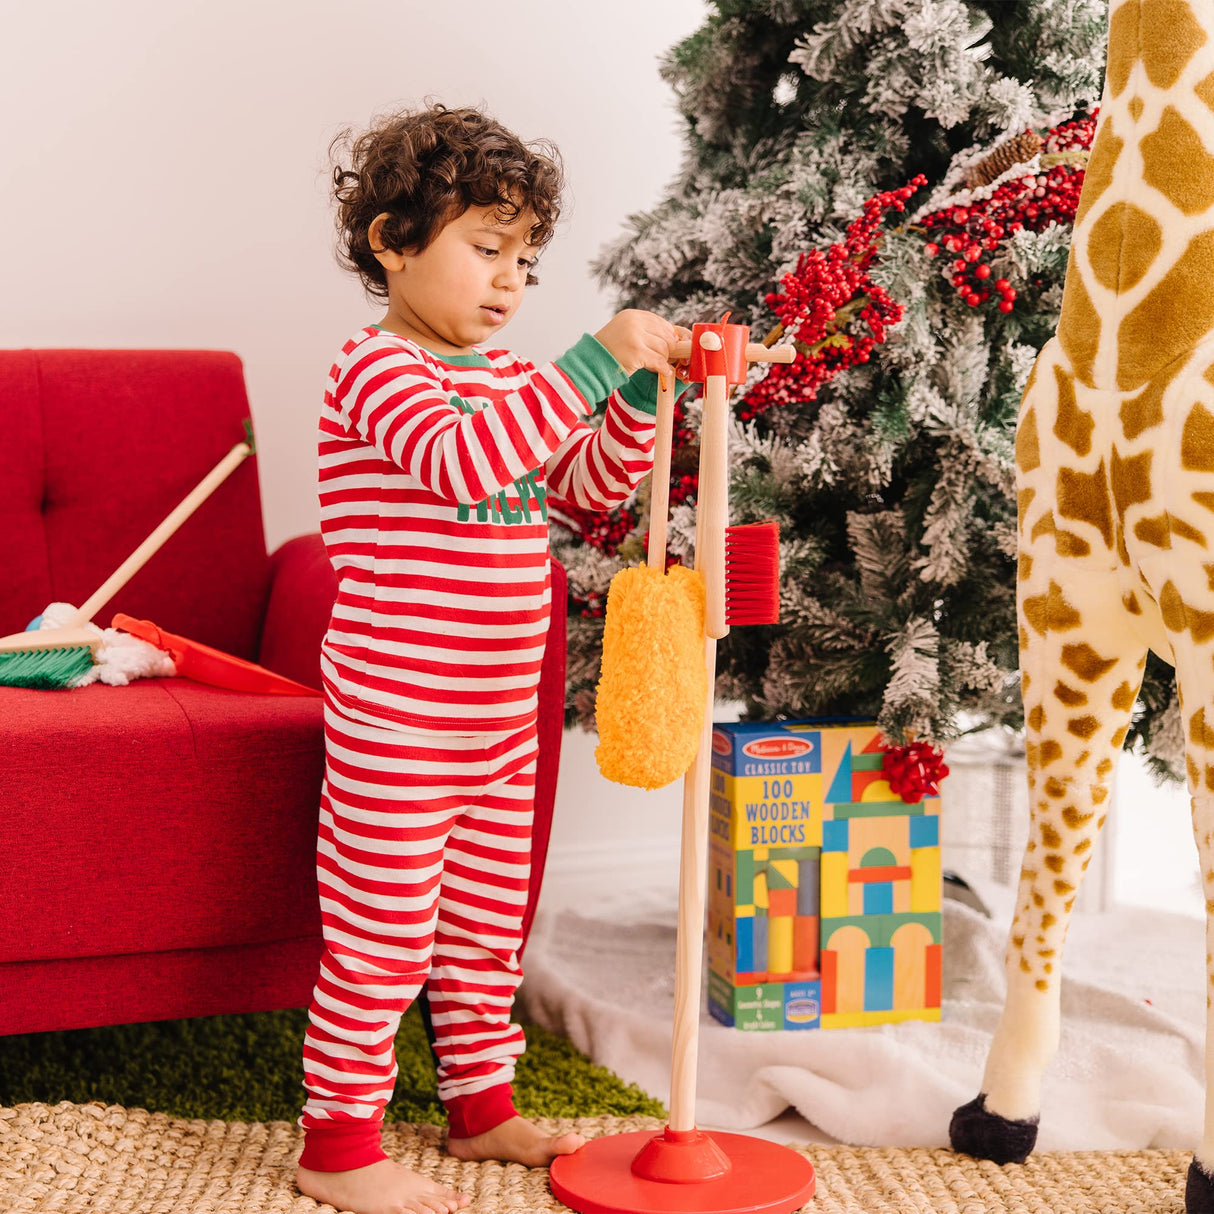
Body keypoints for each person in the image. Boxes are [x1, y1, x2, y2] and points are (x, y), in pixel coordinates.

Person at [296, 103, 686, 1214]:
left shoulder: (513, 378)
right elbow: (471, 465)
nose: (510, 280)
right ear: (391, 242)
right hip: (398, 719)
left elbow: (582, 489)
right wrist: (594, 357)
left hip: (494, 723)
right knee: (379, 935)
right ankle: (334, 1144)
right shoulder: (372, 373)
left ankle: (478, 1104)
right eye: (484, 248)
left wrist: (638, 399)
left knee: (479, 929)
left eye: (524, 257)